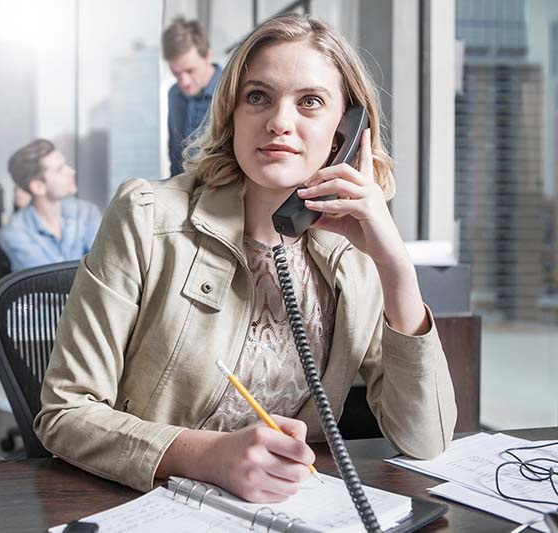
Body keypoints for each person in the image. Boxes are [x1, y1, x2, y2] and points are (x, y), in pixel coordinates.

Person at [35, 15, 457, 504]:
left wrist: (396, 269)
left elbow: (426, 440)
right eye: (258, 96)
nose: (280, 121)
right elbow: (64, 414)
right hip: (147, 506)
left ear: (347, 134)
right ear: (231, 112)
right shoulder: (146, 218)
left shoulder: (354, 257)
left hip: (293, 509)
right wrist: (209, 456)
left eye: (310, 102)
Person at [0, 139, 101, 271]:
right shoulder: (14, 232)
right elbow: (50, 281)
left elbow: (103, 268)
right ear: (38, 187)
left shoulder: (87, 212)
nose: (71, 171)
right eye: (60, 169)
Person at [162, 17, 222, 176]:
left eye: (190, 71)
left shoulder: (231, 90)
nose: (184, 82)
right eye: (176, 73)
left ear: (208, 56)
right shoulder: (174, 93)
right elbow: (174, 150)